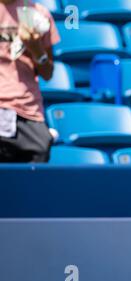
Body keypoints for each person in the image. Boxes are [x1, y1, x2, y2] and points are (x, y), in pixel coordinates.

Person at [0, 0, 59, 163]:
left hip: (27, 111)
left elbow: (47, 73)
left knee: (33, 183)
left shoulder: (39, 14)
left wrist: (35, 48)